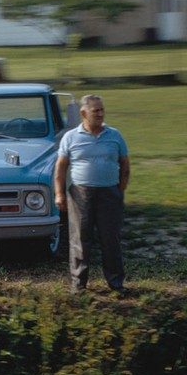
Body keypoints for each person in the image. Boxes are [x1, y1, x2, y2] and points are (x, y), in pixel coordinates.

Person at [54, 94, 130, 295]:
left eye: (102, 109)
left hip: (109, 193)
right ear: (83, 113)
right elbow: (60, 168)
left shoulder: (115, 135)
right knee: (80, 238)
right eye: (96, 110)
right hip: (81, 193)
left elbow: (125, 164)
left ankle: (116, 283)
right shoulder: (70, 137)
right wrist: (59, 194)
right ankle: (78, 285)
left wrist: (118, 189)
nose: (100, 114)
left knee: (110, 239)